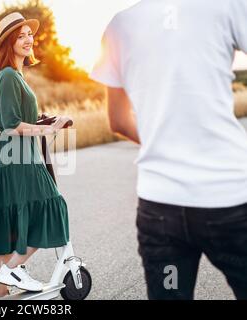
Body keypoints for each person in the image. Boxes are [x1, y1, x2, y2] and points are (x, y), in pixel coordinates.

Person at [90, 0, 247, 299]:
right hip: (230, 201)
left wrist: (166, 142)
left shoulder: (120, 25)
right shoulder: (226, 5)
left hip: (160, 208)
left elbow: (118, 121)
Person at [0, 12, 72, 298]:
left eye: (29, 34)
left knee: (6, 227)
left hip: (6, 160)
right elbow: (10, 124)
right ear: (9, 43)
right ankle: (14, 271)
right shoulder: (8, 76)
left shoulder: (7, 76)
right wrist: (44, 130)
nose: (28, 40)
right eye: (20, 36)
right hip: (21, 161)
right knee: (53, 210)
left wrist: (36, 120)